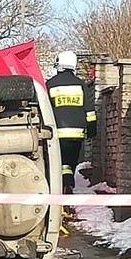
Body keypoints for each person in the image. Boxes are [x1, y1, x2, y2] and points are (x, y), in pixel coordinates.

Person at [46, 50, 97, 195]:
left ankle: (62, 185)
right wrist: (92, 128)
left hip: (57, 132)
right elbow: (89, 110)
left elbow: (46, 108)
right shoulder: (81, 85)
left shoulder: (50, 84)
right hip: (77, 133)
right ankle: (68, 183)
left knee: (60, 162)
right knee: (71, 160)